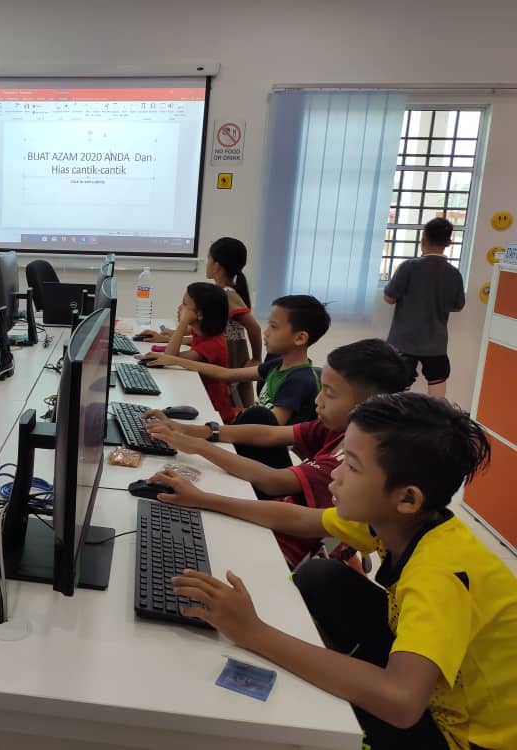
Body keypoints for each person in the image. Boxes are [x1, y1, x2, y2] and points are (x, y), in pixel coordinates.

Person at [149, 393, 516, 750]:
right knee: (321, 577)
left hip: (467, 736)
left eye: (352, 467)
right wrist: (202, 499)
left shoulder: (438, 575)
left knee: (326, 719)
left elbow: (402, 703)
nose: (336, 474)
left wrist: (253, 632)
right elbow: (298, 519)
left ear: (407, 498)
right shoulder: (399, 520)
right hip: (437, 682)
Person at [146, 339, 411, 564]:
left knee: (169, 542)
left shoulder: (350, 463)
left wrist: (199, 453)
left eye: (329, 394)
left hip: (279, 548)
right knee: (259, 417)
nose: (317, 401)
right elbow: (270, 433)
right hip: (276, 520)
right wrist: (195, 431)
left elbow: (275, 484)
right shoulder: (339, 429)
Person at [144, 295, 329, 428]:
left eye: (273, 327)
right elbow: (226, 374)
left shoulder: (299, 380)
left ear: (300, 338)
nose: (266, 332)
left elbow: (270, 430)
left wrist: (212, 433)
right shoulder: (278, 364)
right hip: (244, 432)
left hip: (259, 451)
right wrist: (174, 360)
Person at [384, 217, 465, 398]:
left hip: (404, 340)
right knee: (438, 381)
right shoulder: (454, 273)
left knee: (400, 383)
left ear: (423, 240)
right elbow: (458, 306)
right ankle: (435, 415)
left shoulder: (408, 267)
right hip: (436, 342)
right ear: (449, 243)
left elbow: (389, 298)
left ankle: (399, 415)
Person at [144, 282, 235, 422]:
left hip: (212, 412)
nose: (180, 307)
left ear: (200, 314)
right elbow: (191, 338)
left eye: (185, 304)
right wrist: (164, 338)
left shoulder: (213, 345)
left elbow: (170, 357)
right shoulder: (204, 332)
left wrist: (183, 322)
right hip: (197, 397)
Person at [205, 237, 262, 407]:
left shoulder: (227, 294)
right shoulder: (221, 293)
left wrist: (256, 359)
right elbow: (215, 331)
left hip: (233, 365)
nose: (206, 263)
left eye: (208, 258)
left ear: (217, 265)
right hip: (228, 365)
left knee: (235, 411)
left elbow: (254, 328)